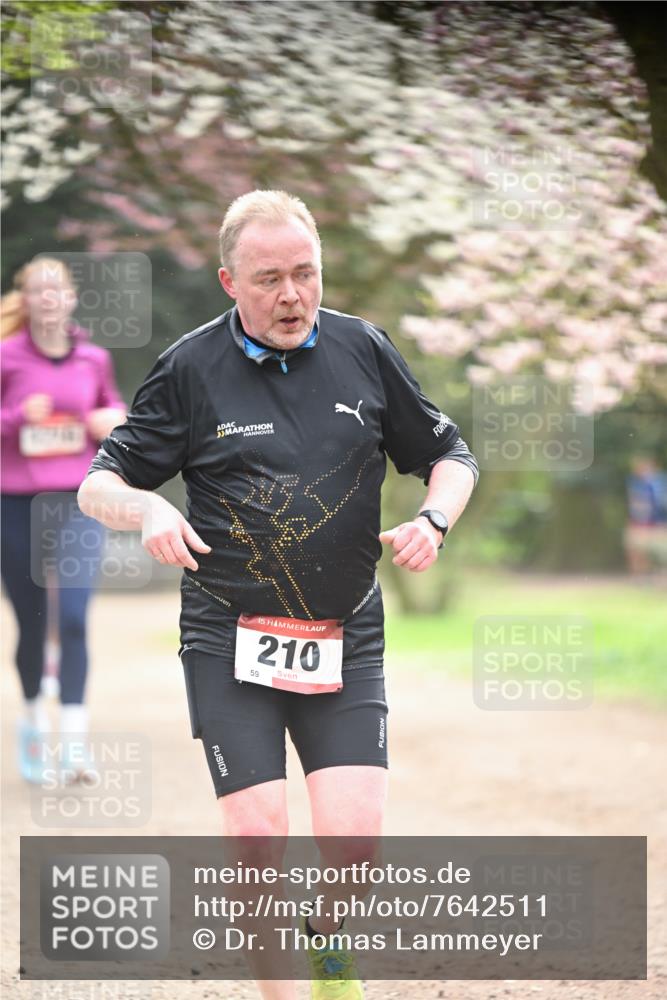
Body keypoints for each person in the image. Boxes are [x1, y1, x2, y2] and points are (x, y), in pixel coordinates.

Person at [78, 190, 478, 999]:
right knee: (260, 836)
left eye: (306, 273)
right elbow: (98, 484)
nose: (292, 294)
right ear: (230, 281)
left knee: (354, 846)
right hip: (228, 635)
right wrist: (148, 504)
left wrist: (433, 520)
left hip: (344, 633)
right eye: (269, 279)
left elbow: (450, 453)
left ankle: (327, 947)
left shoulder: (362, 349)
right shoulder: (190, 367)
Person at [1, 257, 126, 782]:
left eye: (57, 288)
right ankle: (34, 726)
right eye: (38, 290)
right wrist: (14, 418)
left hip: (78, 501)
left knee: (72, 617)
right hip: (14, 503)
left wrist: (112, 418)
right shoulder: (6, 357)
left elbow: (113, 407)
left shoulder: (94, 358)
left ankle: (74, 747)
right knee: (31, 622)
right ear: (26, 300)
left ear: (72, 298)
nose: (49, 297)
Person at [624, 454, 667, 575]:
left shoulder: (659, 483)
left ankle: (657, 574)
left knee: (660, 552)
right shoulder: (636, 483)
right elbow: (636, 506)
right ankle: (640, 575)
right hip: (640, 523)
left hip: (657, 523)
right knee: (636, 550)